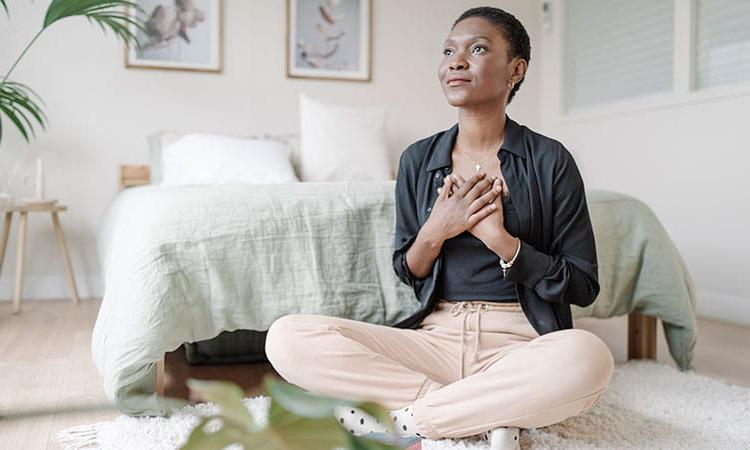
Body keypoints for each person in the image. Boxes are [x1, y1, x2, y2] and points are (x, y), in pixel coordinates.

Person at [265, 6, 615, 450]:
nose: (456, 61)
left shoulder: (550, 160)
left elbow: (582, 284)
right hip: (435, 341)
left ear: (516, 69)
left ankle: (410, 421)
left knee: (588, 358)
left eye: (478, 48)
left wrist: (503, 243)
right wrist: (437, 229)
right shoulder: (417, 160)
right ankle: (482, 415)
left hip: (520, 343)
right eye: (449, 50)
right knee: (288, 337)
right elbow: (408, 270)